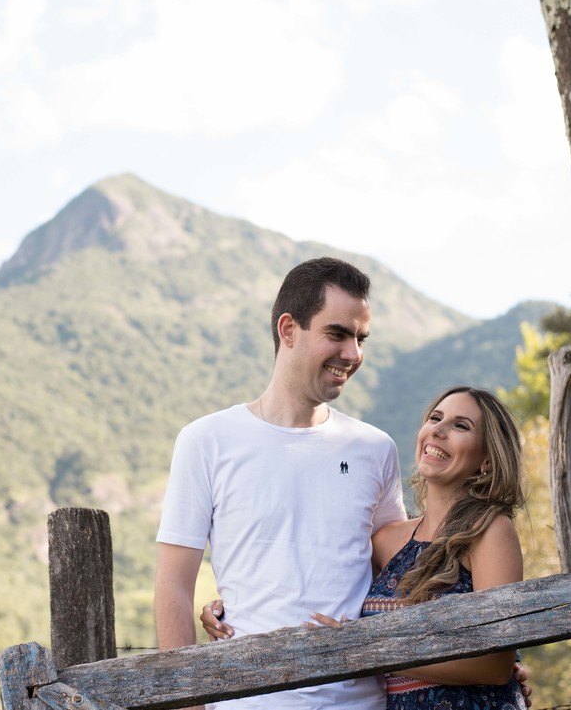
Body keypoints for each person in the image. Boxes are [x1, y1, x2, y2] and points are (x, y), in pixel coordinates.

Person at [155, 257, 407, 710]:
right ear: (288, 329)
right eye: (337, 333)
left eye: (360, 338)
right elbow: (174, 583)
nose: (353, 354)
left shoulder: (376, 448)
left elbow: (402, 576)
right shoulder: (206, 441)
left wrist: (482, 659)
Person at [202, 386, 528, 710]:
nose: (438, 431)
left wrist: (363, 650)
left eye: (461, 426)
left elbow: (494, 666)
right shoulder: (388, 542)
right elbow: (315, 576)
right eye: (435, 418)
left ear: (487, 458)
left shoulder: (489, 531)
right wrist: (230, 609)